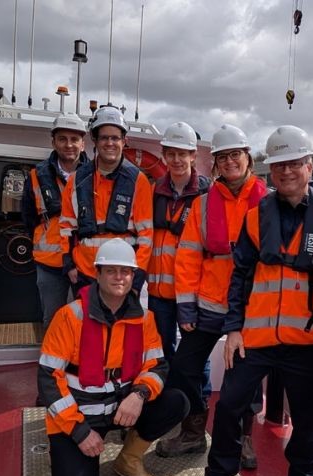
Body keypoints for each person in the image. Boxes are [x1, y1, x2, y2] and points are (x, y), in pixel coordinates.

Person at [182, 126, 313, 476]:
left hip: (308, 342)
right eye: (279, 165)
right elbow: (240, 276)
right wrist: (234, 328)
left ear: (309, 165)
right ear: (270, 170)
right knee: (228, 408)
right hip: (255, 338)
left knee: (307, 424)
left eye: (294, 163)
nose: (286, 171)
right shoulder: (256, 218)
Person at [37, 238, 189, 476]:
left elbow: (157, 366)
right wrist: (79, 432)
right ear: (97, 274)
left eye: (126, 271)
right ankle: (65, 453)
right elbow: (48, 379)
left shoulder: (144, 319)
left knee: (176, 402)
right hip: (80, 416)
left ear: (133, 276)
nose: (119, 277)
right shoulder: (70, 316)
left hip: (122, 409)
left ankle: (128, 459)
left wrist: (139, 394)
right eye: (111, 271)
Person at [157, 124, 268, 463]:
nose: (230, 162)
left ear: (247, 157)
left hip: (249, 308)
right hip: (208, 304)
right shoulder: (204, 204)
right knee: (184, 368)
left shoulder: (268, 202)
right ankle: (193, 433)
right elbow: (188, 255)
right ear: (215, 163)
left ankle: (242, 439)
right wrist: (186, 307)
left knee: (246, 376)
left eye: (236, 154)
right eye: (223, 157)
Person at [59, 105, 154, 295]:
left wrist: (137, 279)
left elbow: (146, 235)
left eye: (115, 138)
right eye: (104, 137)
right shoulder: (77, 180)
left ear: (124, 141)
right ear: (94, 140)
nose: (109, 143)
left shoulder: (138, 181)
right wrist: (69, 265)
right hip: (85, 273)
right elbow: (66, 228)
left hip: (122, 278)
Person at [147, 122, 211, 363]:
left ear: (193, 156)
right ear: (164, 155)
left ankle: (199, 391)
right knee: (160, 352)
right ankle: (163, 386)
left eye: (182, 154)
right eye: (171, 154)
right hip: (159, 293)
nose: (176, 160)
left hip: (193, 293)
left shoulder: (207, 194)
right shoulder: (154, 191)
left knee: (196, 356)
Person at [21, 113, 90, 329]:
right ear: (53, 142)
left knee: (87, 320)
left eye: (74, 139)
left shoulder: (95, 175)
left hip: (84, 262)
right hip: (49, 263)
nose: (69, 145)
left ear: (83, 144)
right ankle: (52, 354)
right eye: (62, 139)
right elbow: (28, 217)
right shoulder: (36, 175)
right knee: (52, 320)